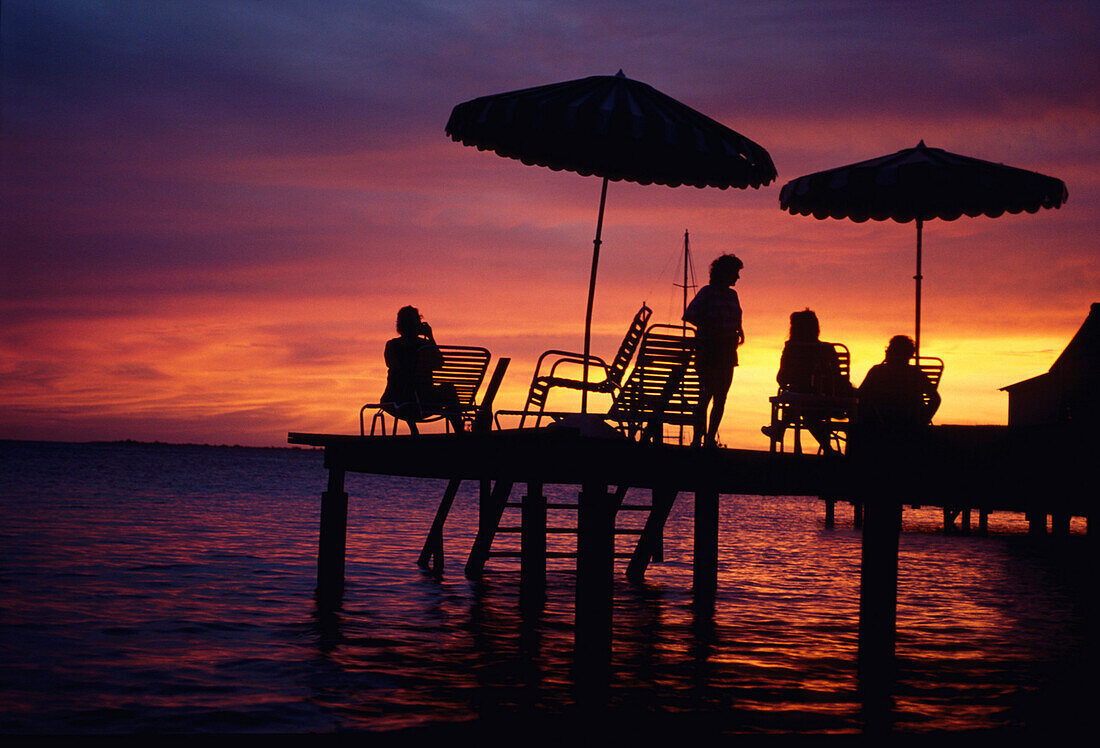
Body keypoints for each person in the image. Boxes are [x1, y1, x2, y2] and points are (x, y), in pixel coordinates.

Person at [763, 309, 854, 454]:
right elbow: (838, 378)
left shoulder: (791, 348)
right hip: (831, 403)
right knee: (805, 405)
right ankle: (827, 449)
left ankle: (779, 428)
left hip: (808, 403)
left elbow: (781, 379)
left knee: (803, 405)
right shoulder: (828, 349)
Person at [683, 253, 744, 448]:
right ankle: (698, 438)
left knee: (721, 398)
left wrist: (738, 331)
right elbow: (690, 315)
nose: (737, 277)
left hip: (727, 352)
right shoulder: (707, 293)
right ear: (724, 273)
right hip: (709, 351)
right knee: (705, 396)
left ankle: (709, 438)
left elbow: (736, 319)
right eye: (735, 272)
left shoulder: (733, 295)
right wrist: (713, 329)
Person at [380, 306, 463, 434]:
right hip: (424, 401)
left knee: (406, 388)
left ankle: (413, 429)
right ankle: (460, 432)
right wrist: (430, 338)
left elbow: (395, 370)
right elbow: (439, 364)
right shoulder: (424, 346)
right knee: (448, 390)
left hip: (395, 400)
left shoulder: (392, 346)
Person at [856, 334, 940, 437]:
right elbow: (935, 399)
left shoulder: (878, 371)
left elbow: (861, 395)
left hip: (881, 422)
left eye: (888, 349)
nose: (886, 351)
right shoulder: (916, 373)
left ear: (891, 352)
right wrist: (923, 420)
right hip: (911, 422)